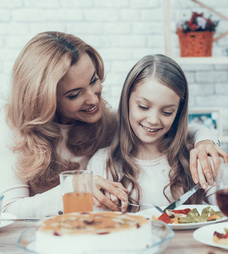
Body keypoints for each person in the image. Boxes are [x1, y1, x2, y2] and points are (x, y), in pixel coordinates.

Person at [0, 31, 227, 218]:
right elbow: (9, 211)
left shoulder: (107, 121)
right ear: (45, 100)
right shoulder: (13, 130)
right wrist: (76, 187)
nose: (93, 99)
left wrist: (205, 140)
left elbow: (170, 128)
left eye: (93, 80)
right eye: (74, 94)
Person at [88, 55, 215, 209]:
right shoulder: (103, 163)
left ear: (178, 113)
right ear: (126, 101)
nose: (153, 120)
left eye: (167, 112)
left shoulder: (193, 159)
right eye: (143, 107)